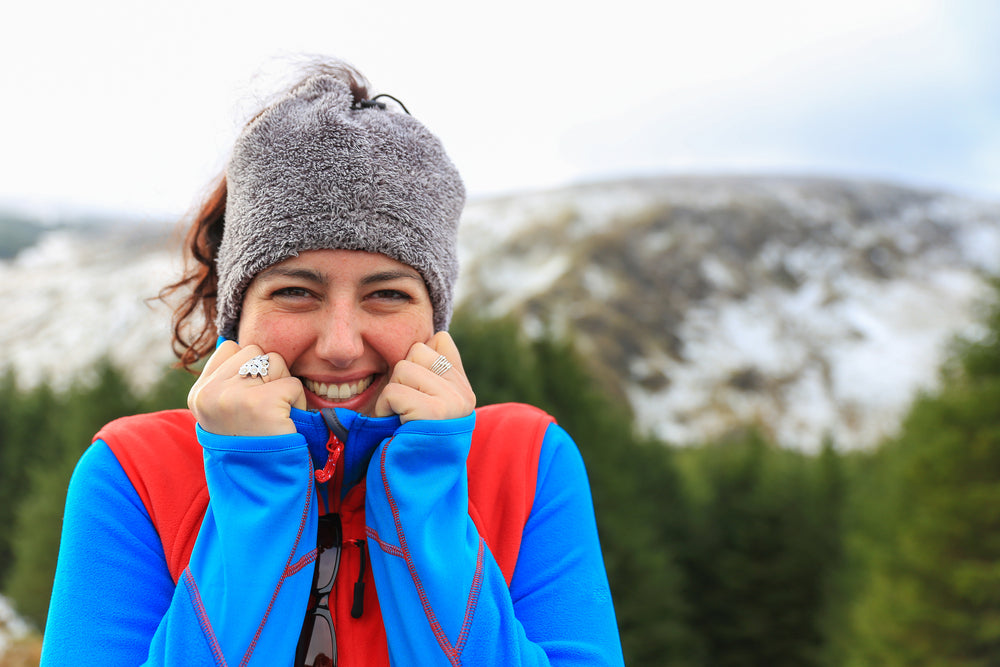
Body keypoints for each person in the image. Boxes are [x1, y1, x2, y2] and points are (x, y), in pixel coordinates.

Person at [41, 59, 624, 666]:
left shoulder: (527, 463)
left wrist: (427, 492)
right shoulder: (135, 474)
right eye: (296, 291)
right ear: (239, 313)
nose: (340, 344)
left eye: (387, 294)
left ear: (435, 319)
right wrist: (255, 486)